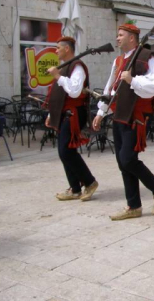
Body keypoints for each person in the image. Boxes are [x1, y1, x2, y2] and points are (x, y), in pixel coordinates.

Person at [93, 23, 154, 220]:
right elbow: (110, 89)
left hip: (136, 117)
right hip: (119, 115)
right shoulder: (118, 61)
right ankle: (133, 205)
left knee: (127, 159)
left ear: (132, 38)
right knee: (123, 162)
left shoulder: (147, 57)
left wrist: (132, 80)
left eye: (121, 35)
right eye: (117, 35)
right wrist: (101, 112)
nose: (117, 38)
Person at [46, 36, 99, 201]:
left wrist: (58, 76)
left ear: (66, 49)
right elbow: (58, 95)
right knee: (64, 152)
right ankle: (75, 188)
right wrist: (51, 114)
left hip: (74, 113)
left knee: (66, 151)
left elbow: (75, 91)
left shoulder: (77, 67)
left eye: (58, 48)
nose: (56, 51)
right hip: (64, 113)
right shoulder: (64, 67)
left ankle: (89, 182)